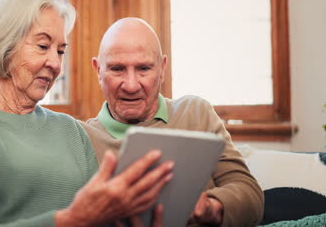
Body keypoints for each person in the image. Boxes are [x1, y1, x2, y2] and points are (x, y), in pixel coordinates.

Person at [0, 0, 174, 227]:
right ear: (4, 42)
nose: (55, 63)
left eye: (60, 51)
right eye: (42, 46)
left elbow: (100, 217)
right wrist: (71, 220)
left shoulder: (71, 130)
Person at [82, 17, 264, 227]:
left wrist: (211, 208)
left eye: (143, 68)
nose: (131, 85)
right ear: (98, 70)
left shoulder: (196, 114)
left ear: (162, 68)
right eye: (117, 69)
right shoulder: (82, 137)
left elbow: (251, 195)